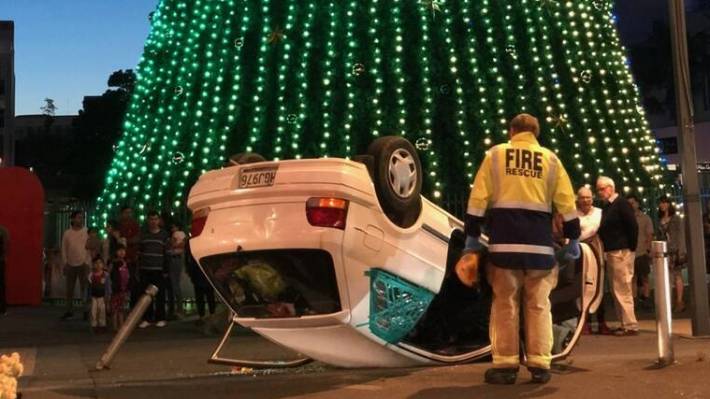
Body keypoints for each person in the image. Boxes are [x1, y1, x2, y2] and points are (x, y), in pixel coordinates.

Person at [464, 114, 580, 384]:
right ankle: (540, 364)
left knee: (506, 304)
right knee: (539, 304)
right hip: (540, 248)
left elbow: (478, 197)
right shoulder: (550, 160)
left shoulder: (496, 155)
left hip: (504, 246)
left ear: (512, 130)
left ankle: (506, 366)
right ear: (536, 133)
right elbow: (566, 201)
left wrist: (472, 235)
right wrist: (573, 237)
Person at [596, 176, 639, 336]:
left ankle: (630, 324)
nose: (599, 192)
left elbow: (632, 226)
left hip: (621, 251)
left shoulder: (620, 204)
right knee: (617, 288)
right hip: (614, 250)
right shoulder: (610, 205)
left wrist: (630, 248)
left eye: (601, 188)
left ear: (610, 188)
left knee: (622, 287)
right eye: (598, 189)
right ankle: (625, 323)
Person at [575, 186, 610, 335]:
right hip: (581, 253)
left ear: (592, 198)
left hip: (597, 252)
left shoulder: (600, 213)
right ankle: (585, 323)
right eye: (582, 197)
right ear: (578, 199)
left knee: (599, 285)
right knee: (582, 287)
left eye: (588, 197)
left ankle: (602, 322)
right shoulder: (573, 214)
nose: (585, 200)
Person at [138, 211, 170, 328]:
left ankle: (160, 317)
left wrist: (166, 269)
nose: (153, 221)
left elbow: (167, 253)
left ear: (159, 220)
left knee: (160, 294)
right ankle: (147, 318)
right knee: (146, 294)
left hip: (159, 269)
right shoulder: (144, 235)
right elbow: (140, 252)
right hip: (145, 268)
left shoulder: (164, 235)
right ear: (148, 220)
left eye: (155, 219)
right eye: (151, 219)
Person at [657, 197, 687, 313]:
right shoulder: (661, 219)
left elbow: (680, 235)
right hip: (665, 250)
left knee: (677, 276)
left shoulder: (676, 219)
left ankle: (679, 301)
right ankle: (669, 301)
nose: (662, 205)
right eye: (661, 203)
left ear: (669, 204)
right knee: (668, 277)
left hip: (675, 250)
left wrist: (681, 250)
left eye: (664, 203)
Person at [61, 211, 91, 320]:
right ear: (72, 219)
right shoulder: (67, 233)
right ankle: (69, 310)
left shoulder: (87, 231)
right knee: (69, 289)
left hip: (83, 263)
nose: (81, 219)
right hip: (70, 264)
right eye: (78, 217)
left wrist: (87, 262)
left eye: (82, 217)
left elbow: (89, 248)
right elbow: (64, 248)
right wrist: (65, 263)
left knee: (85, 288)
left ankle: (86, 311)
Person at [627, 194, 654, 308]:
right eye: (629, 203)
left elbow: (649, 235)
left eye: (633, 202)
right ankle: (634, 301)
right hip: (629, 253)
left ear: (638, 203)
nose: (631, 205)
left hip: (642, 251)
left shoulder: (645, 218)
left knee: (644, 277)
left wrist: (648, 249)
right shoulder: (626, 218)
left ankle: (647, 299)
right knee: (632, 278)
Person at [186, 237, 216, 325]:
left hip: (203, 269)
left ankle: (208, 315)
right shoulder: (199, 240)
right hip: (200, 269)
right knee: (204, 294)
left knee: (206, 294)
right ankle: (206, 315)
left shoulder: (192, 241)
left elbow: (188, 257)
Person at [118, 206, 141, 308]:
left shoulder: (135, 225)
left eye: (130, 212)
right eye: (126, 212)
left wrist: (126, 241)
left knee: (133, 283)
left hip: (132, 259)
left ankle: (133, 307)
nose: (129, 215)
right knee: (119, 283)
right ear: (122, 214)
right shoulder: (118, 226)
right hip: (120, 259)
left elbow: (137, 239)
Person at [166, 221, 187, 319]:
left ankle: (179, 309)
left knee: (175, 284)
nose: (172, 229)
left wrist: (172, 243)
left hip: (175, 258)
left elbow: (175, 245)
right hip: (177, 258)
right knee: (175, 284)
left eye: (173, 227)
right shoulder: (182, 235)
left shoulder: (177, 234)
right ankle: (178, 309)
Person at [110, 245, 131, 331]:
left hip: (124, 288)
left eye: (123, 250)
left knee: (122, 309)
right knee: (115, 309)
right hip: (115, 289)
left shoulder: (127, 262)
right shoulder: (113, 263)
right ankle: (115, 326)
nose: (122, 252)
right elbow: (109, 273)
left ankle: (122, 326)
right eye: (119, 250)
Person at [88, 257, 111, 333]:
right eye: (96, 263)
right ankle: (94, 326)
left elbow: (108, 286)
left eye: (100, 263)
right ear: (93, 265)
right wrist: (87, 297)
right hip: (93, 297)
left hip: (102, 297)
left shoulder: (105, 275)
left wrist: (108, 296)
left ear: (103, 265)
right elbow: (88, 287)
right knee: (93, 311)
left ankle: (102, 325)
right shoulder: (90, 275)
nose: (98, 265)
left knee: (102, 311)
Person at [0, 224, 8, 316]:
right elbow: (6, 245)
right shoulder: (3, 230)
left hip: (0, 260)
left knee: (1, 284)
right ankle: (2, 309)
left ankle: (2, 308)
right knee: (1, 284)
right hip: (1, 260)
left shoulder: (3, 231)